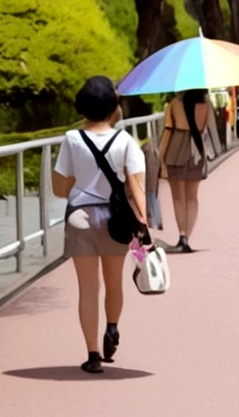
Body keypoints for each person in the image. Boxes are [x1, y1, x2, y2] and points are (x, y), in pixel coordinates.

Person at [51, 76, 150, 375]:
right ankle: (112, 328)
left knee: (87, 289)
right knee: (114, 282)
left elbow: (59, 187)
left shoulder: (71, 139)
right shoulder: (125, 141)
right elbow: (137, 185)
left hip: (80, 218)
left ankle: (92, 354)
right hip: (115, 219)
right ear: (113, 107)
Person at [158, 88, 220, 252]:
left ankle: (182, 236)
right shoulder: (206, 105)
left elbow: (167, 132)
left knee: (178, 198)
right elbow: (210, 129)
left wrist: (161, 159)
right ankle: (187, 239)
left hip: (175, 151)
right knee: (192, 197)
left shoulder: (175, 104)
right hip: (196, 151)